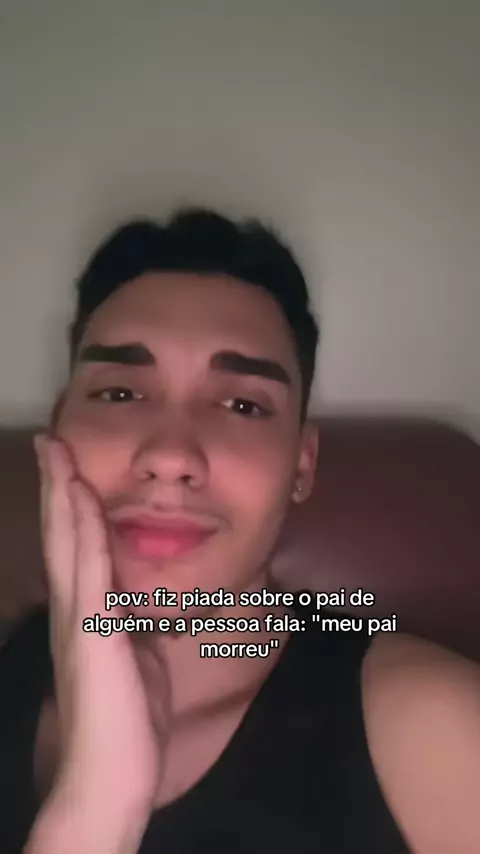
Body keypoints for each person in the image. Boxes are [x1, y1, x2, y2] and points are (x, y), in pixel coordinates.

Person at [0, 209, 478, 854]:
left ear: (301, 465)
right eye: (120, 394)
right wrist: (93, 803)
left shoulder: (434, 728)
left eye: (243, 405)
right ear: (59, 428)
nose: (171, 457)